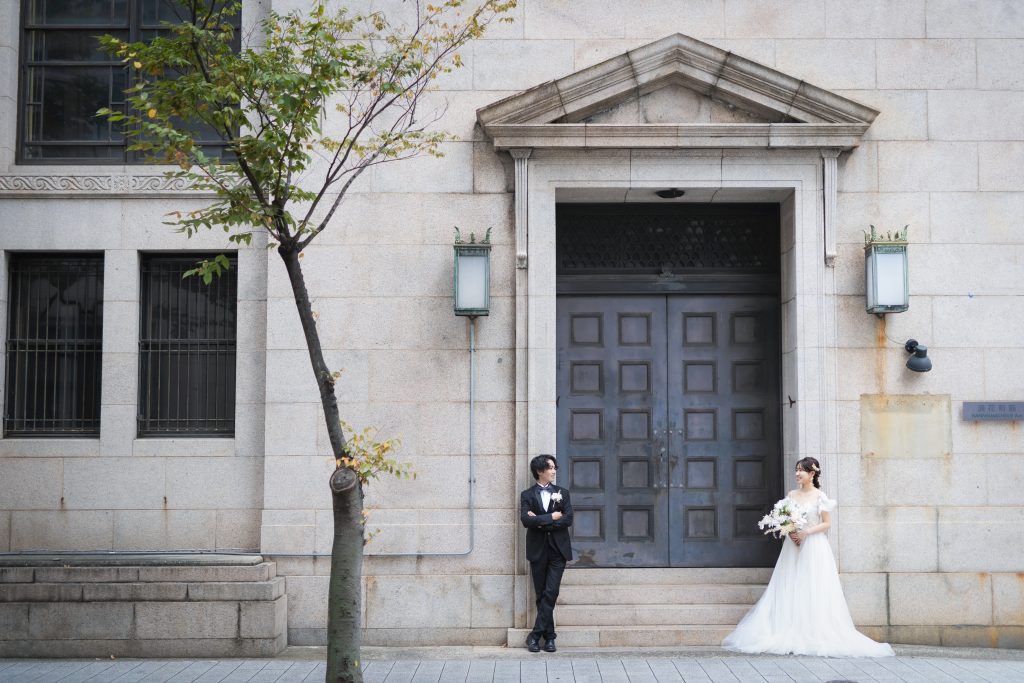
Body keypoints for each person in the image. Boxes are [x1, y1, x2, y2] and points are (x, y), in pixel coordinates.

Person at [722, 456, 895, 657]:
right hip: (793, 546)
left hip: (813, 545)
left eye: (801, 470)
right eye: (796, 469)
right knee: (789, 583)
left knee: (811, 586)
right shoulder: (791, 495)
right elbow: (784, 518)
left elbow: (826, 523)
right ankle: (785, 626)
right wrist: (790, 531)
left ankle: (813, 630)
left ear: (812, 473)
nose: (797, 473)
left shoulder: (820, 496)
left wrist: (807, 533)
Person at [519, 454, 573, 653]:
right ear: (539, 471)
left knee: (551, 592)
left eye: (554, 467)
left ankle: (535, 636)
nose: (554, 471)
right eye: (550, 468)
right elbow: (526, 521)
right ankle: (549, 638)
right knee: (541, 594)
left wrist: (540, 520)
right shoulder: (527, 495)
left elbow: (568, 519)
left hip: (558, 550)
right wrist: (550, 517)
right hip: (538, 550)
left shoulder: (563, 493)